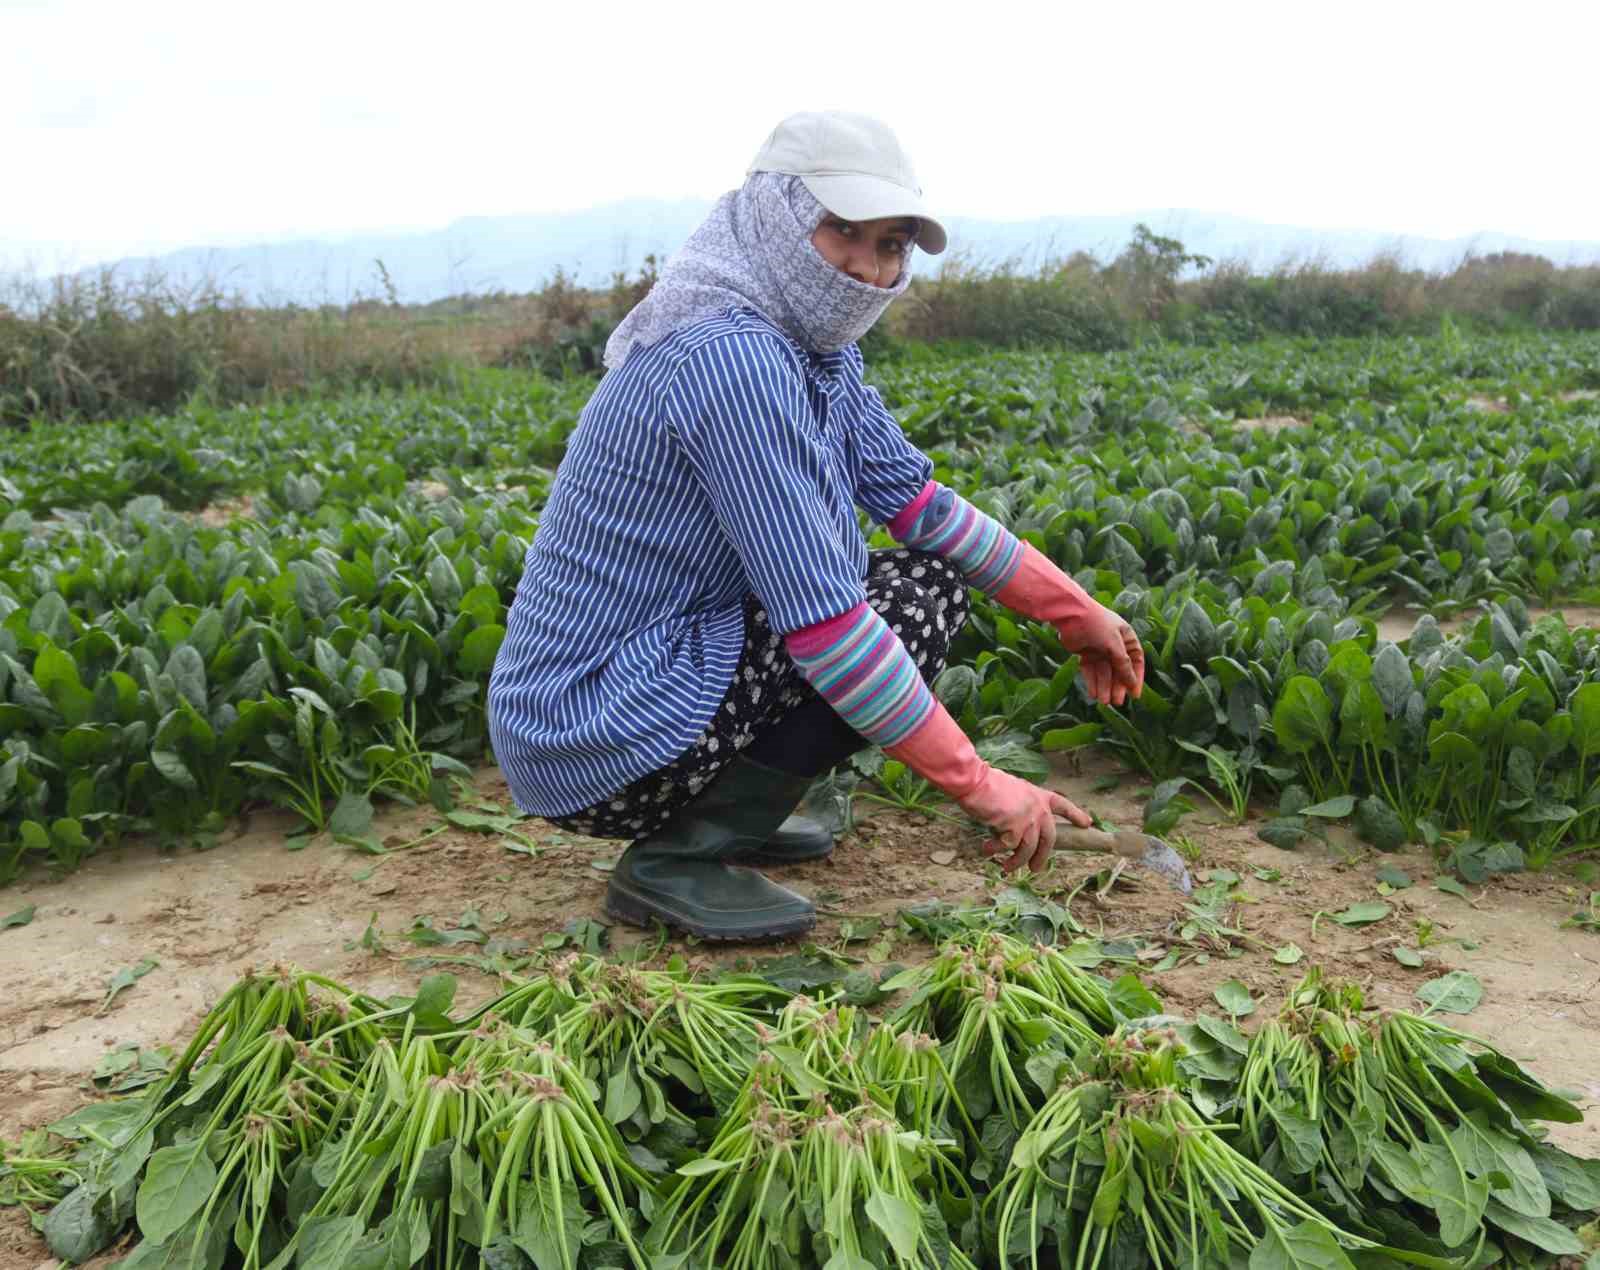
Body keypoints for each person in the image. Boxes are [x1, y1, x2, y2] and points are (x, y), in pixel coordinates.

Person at [487, 111, 1144, 942]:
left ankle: (736, 815)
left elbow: (919, 504)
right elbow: (827, 627)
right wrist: (984, 785)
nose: (870, 272)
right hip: (590, 727)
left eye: (894, 245)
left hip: (642, 676)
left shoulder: (807, 352)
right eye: (843, 231)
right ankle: (677, 856)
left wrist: (1073, 610)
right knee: (896, 611)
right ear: (774, 217)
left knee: (922, 582)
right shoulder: (731, 358)